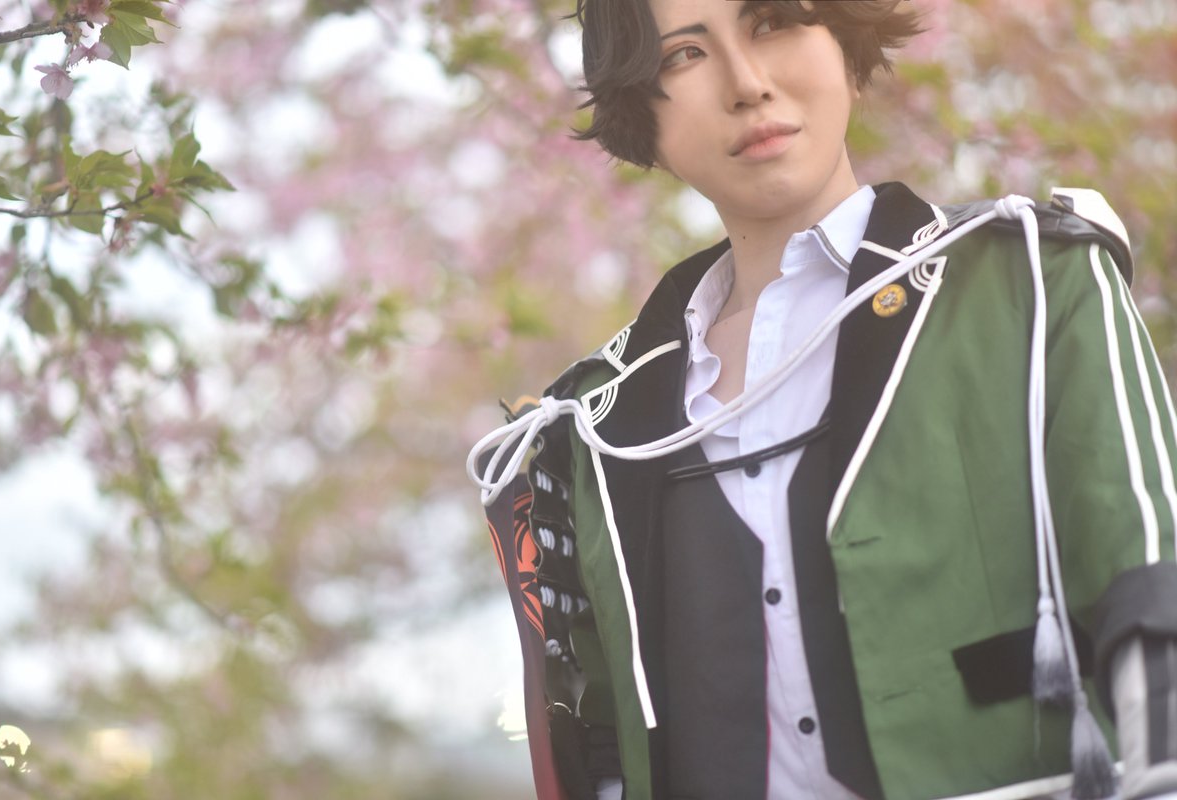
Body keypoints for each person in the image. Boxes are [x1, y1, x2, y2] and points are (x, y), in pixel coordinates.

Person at [467, 1, 1177, 798]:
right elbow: (599, 741)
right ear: (642, 115)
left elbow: (1149, 569)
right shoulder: (595, 421)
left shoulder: (1036, 281)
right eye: (683, 56)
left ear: (843, 40)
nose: (747, 84)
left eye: (772, 22)